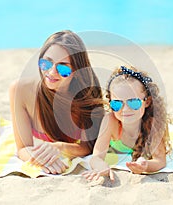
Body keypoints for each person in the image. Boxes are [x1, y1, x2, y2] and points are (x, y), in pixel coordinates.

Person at [9, 30, 104, 174]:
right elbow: (22, 148)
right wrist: (42, 160)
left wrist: (59, 148)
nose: (52, 72)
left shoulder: (87, 95)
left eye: (63, 68)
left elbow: (87, 147)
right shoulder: (20, 90)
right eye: (46, 63)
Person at [82, 66, 171, 181]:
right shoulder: (110, 121)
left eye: (133, 102)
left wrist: (145, 166)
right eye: (117, 104)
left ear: (147, 102)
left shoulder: (153, 123)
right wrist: (102, 167)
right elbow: (96, 157)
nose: (125, 109)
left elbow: (160, 160)